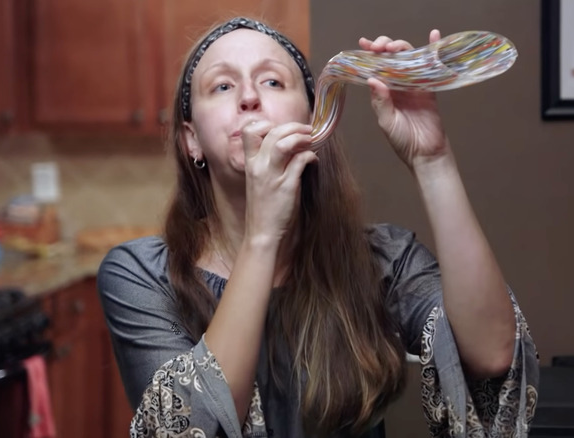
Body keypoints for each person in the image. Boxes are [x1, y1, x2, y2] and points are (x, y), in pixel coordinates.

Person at [97, 17, 538, 438]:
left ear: (315, 120)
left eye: (272, 81)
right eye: (223, 85)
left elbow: (493, 353)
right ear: (191, 139)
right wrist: (263, 234)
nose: (249, 97)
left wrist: (432, 160)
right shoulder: (139, 274)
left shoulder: (381, 260)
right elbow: (193, 425)